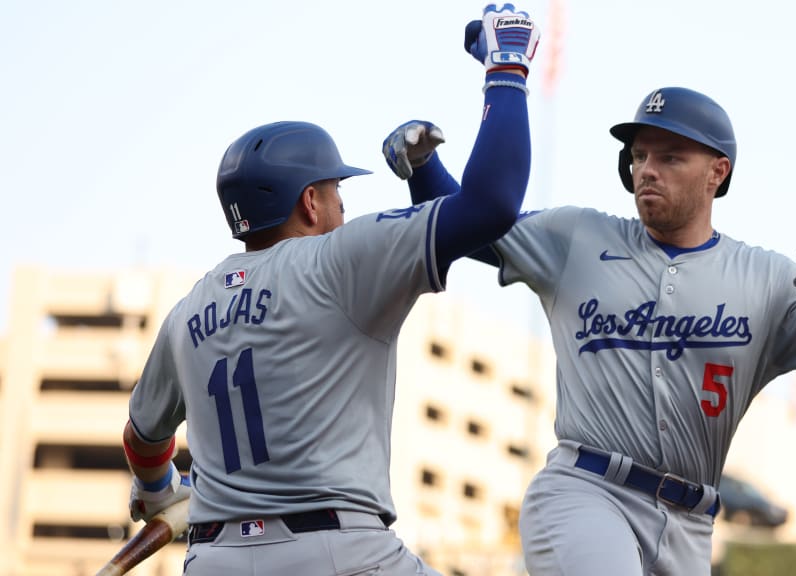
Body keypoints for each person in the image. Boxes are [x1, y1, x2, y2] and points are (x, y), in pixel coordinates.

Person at [381, 86, 796, 575]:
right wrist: (423, 170)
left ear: (717, 172)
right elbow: (473, 228)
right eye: (638, 156)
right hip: (586, 492)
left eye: (669, 156)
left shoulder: (768, 281)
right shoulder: (578, 237)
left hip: (690, 524)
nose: (646, 170)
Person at [119, 5, 540, 575]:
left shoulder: (188, 310)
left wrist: (158, 488)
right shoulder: (338, 260)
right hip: (337, 551)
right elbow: (490, 206)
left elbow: (143, 439)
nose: (345, 205)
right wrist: (506, 69)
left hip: (213, 559)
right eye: (337, 191)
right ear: (310, 202)